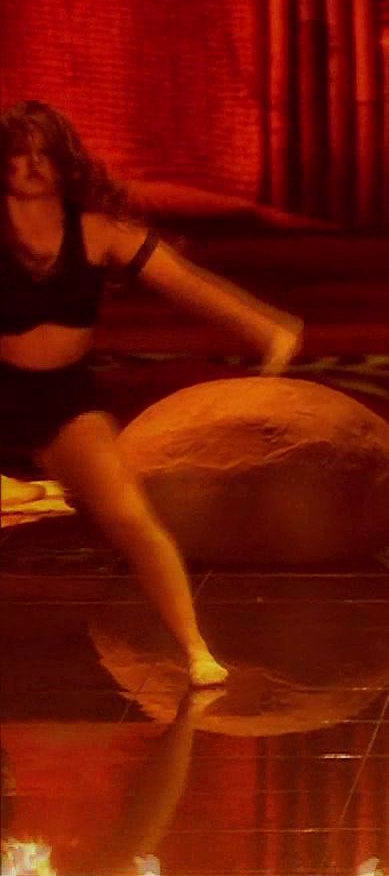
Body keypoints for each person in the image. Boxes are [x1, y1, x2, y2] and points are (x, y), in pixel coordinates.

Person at [1, 100, 303, 686]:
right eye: (18, 153)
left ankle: (195, 649)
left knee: (131, 517)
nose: (33, 165)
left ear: (65, 162)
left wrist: (265, 329)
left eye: (44, 153)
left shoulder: (97, 232)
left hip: (63, 397)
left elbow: (186, 285)